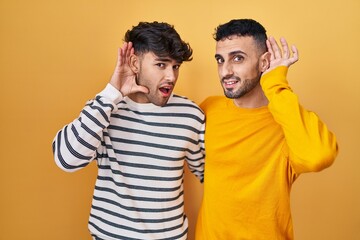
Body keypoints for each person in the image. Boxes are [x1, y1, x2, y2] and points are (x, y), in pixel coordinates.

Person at [52, 21, 205, 240]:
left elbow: (212, 174)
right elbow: (66, 160)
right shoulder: (104, 109)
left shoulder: (190, 114)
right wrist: (111, 94)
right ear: (134, 62)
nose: (171, 76)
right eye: (161, 64)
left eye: (176, 66)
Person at [195, 19, 338, 240]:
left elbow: (318, 156)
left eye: (238, 58)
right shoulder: (209, 108)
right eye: (220, 60)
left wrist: (275, 83)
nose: (225, 71)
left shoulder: (287, 120)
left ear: (264, 62)